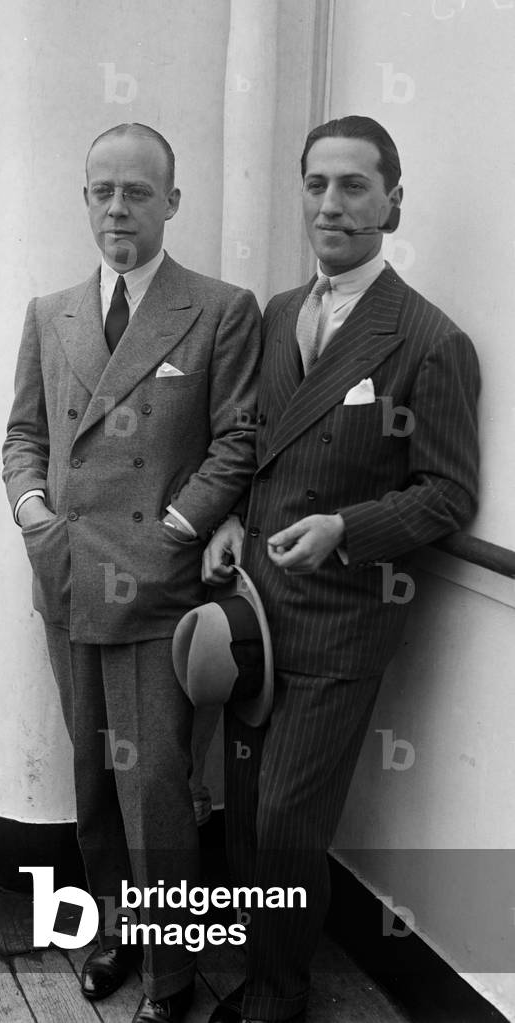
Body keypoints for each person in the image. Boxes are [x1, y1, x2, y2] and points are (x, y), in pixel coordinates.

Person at [202, 115, 480, 1023]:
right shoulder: (281, 312)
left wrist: (344, 527)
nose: (331, 203)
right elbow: (253, 443)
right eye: (317, 183)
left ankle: (278, 997)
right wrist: (233, 519)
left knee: (286, 821)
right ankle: (249, 966)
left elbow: (446, 495)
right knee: (243, 812)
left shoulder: (430, 341)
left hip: (343, 621)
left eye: (354, 185)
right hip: (255, 608)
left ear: (393, 203)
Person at [2, 122, 261, 1023]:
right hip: (70, 577)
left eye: (139, 192)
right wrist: (33, 509)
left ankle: (174, 971)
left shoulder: (220, 308)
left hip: (157, 584)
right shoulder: (49, 311)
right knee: (92, 775)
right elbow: (25, 433)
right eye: (103, 190)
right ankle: (114, 927)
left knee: (155, 783)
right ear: (84, 200)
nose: (119, 207)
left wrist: (183, 527)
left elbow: (238, 440)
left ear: (172, 204)